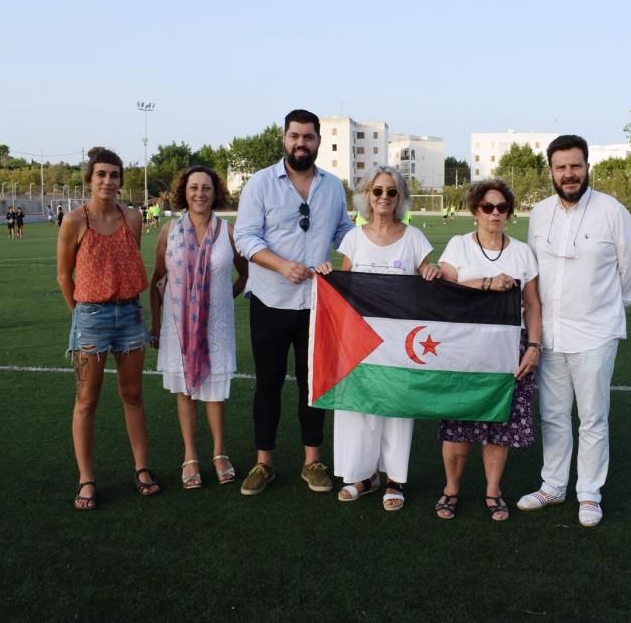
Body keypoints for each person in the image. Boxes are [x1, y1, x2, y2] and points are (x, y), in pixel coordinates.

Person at [519, 134, 631, 527]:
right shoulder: (539, 213)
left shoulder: (612, 211)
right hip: (549, 334)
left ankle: (589, 493)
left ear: (587, 167)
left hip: (595, 334)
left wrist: (605, 313)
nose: (569, 174)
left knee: (592, 418)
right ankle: (553, 485)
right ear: (551, 171)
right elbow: (532, 273)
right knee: (553, 415)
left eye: (576, 166)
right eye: (561, 167)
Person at [233, 109, 354, 496]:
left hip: (317, 304)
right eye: (294, 136)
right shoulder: (261, 183)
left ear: (318, 141)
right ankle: (263, 463)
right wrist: (282, 265)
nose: (301, 143)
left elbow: (344, 232)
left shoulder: (333, 186)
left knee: (313, 385)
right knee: (267, 385)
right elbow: (246, 237)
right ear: (284, 139)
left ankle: (312, 461)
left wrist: (382, 244)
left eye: (308, 137)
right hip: (269, 300)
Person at [317, 166, 440, 512]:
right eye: (378, 191)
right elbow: (344, 287)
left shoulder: (415, 238)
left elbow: (426, 279)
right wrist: (330, 276)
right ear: (367, 196)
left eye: (391, 192)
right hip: (360, 344)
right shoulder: (353, 238)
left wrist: (428, 271)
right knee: (360, 409)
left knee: (397, 410)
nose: (384, 197)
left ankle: (394, 480)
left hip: (401, 345)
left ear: (400, 198)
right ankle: (363, 476)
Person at [56, 147, 159, 510]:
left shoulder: (133, 218)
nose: (108, 181)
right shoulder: (74, 221)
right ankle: (87, 479)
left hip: (130, 315)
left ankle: (142, 468)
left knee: (132, 395)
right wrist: (82, 315)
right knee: (87, 401)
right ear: (90, 178)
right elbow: (63, 275)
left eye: (114, 175)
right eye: (101, 174)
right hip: (92, 318)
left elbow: (128, 264)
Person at [435, 178, 542, 522]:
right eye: (488, 207)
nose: (495, 213)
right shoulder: (458, 245)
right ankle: (451, 489)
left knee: (499, 423)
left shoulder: (523, 252)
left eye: (502, 207)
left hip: (510, 348)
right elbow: (444, 288)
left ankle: (492, 491)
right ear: (475, 211)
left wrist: (535, 346)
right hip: (464, 347)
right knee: (458, 421)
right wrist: (487, 283)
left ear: (509, 212)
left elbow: (533, 304)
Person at [150, 166, 248, 490]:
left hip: (216, 326)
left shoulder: (228, 232)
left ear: (215, 192)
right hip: (177, 327)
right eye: (194, 187)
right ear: (184, 192)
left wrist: (222, 300)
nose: (200, 193)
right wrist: (154, 323)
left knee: (216, 393)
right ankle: (190, 455)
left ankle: (220, 453)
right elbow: (156, 281)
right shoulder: (169, 231)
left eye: (206, 187)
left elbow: (245, 274)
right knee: (185, 392)